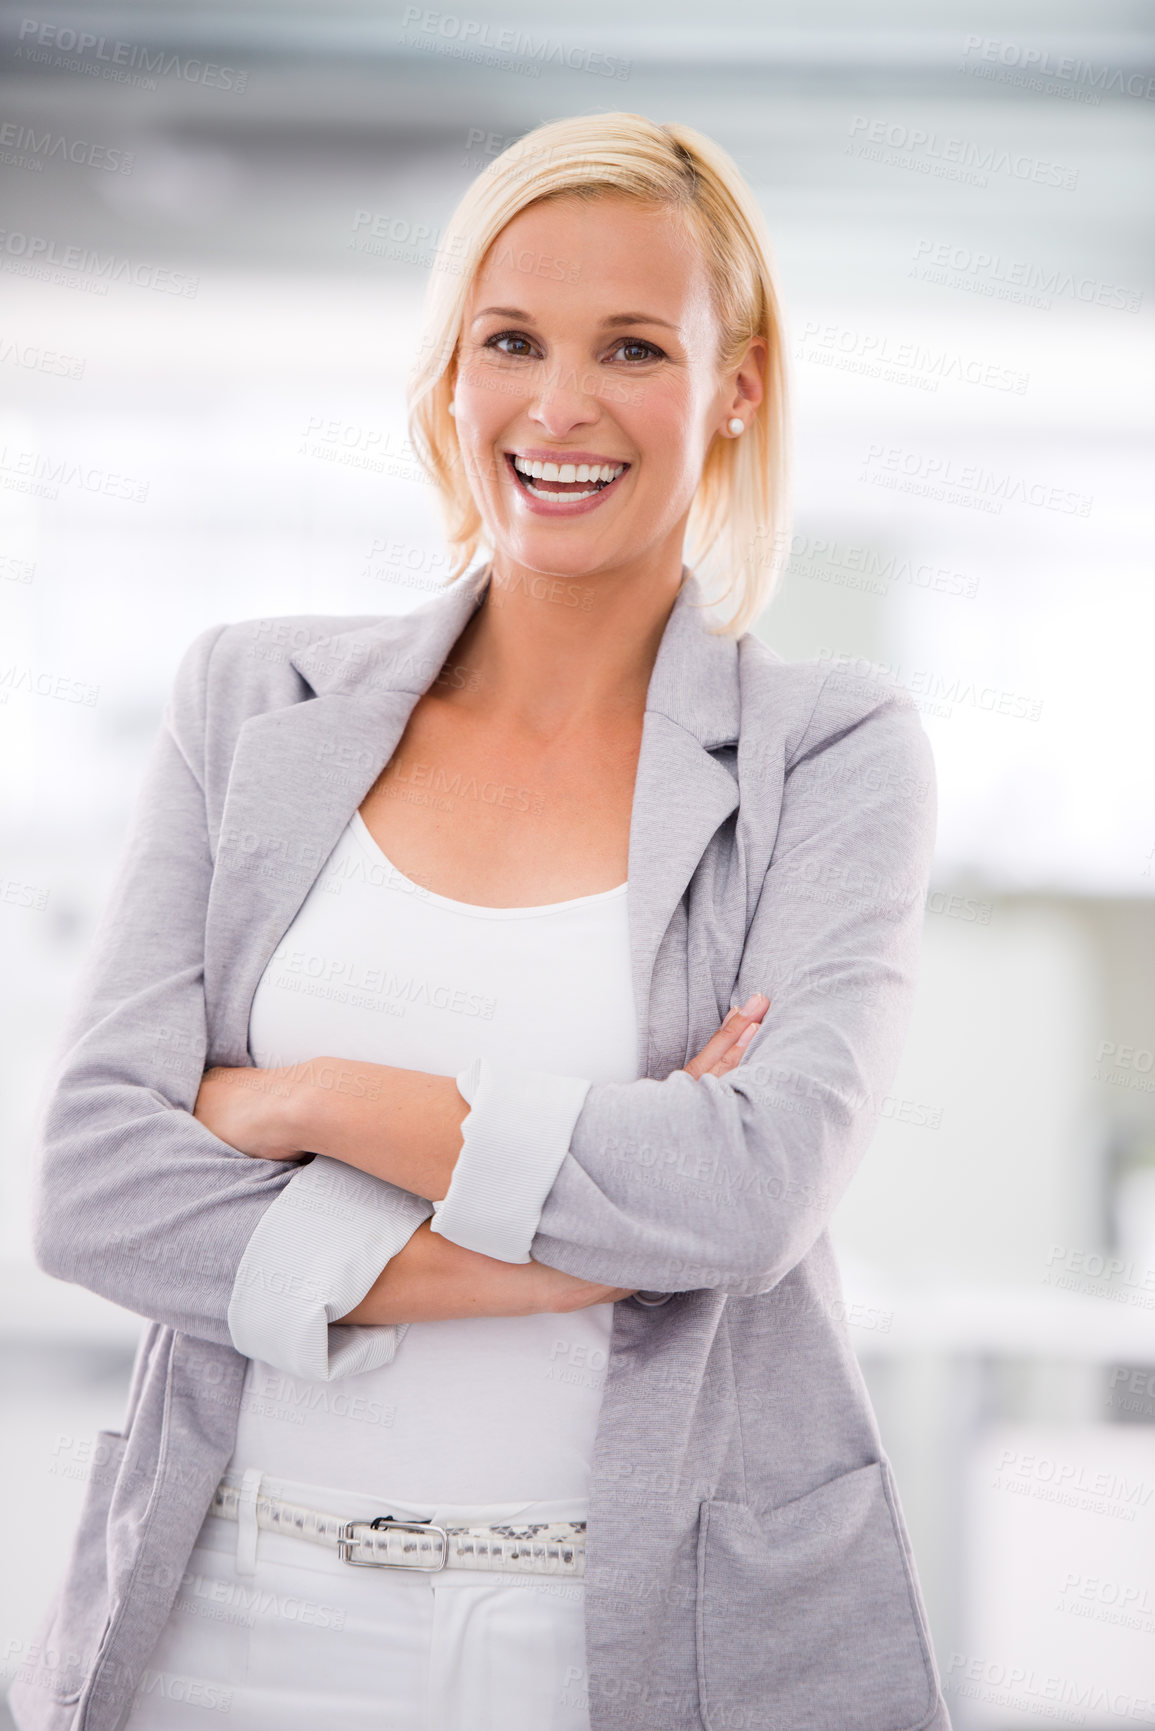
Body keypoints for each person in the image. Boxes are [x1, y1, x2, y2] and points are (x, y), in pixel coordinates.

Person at [11, 113, 953, 1731]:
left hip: (631, 1638)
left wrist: (308, 1102)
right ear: (451, 373)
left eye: (635, 346)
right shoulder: (253, 701)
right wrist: (591, 1244)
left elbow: (746, 1194)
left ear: (736, 385)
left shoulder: (833, 751)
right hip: (225, 1618)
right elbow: (97, 1189)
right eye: (510, 338)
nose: (560, 404)